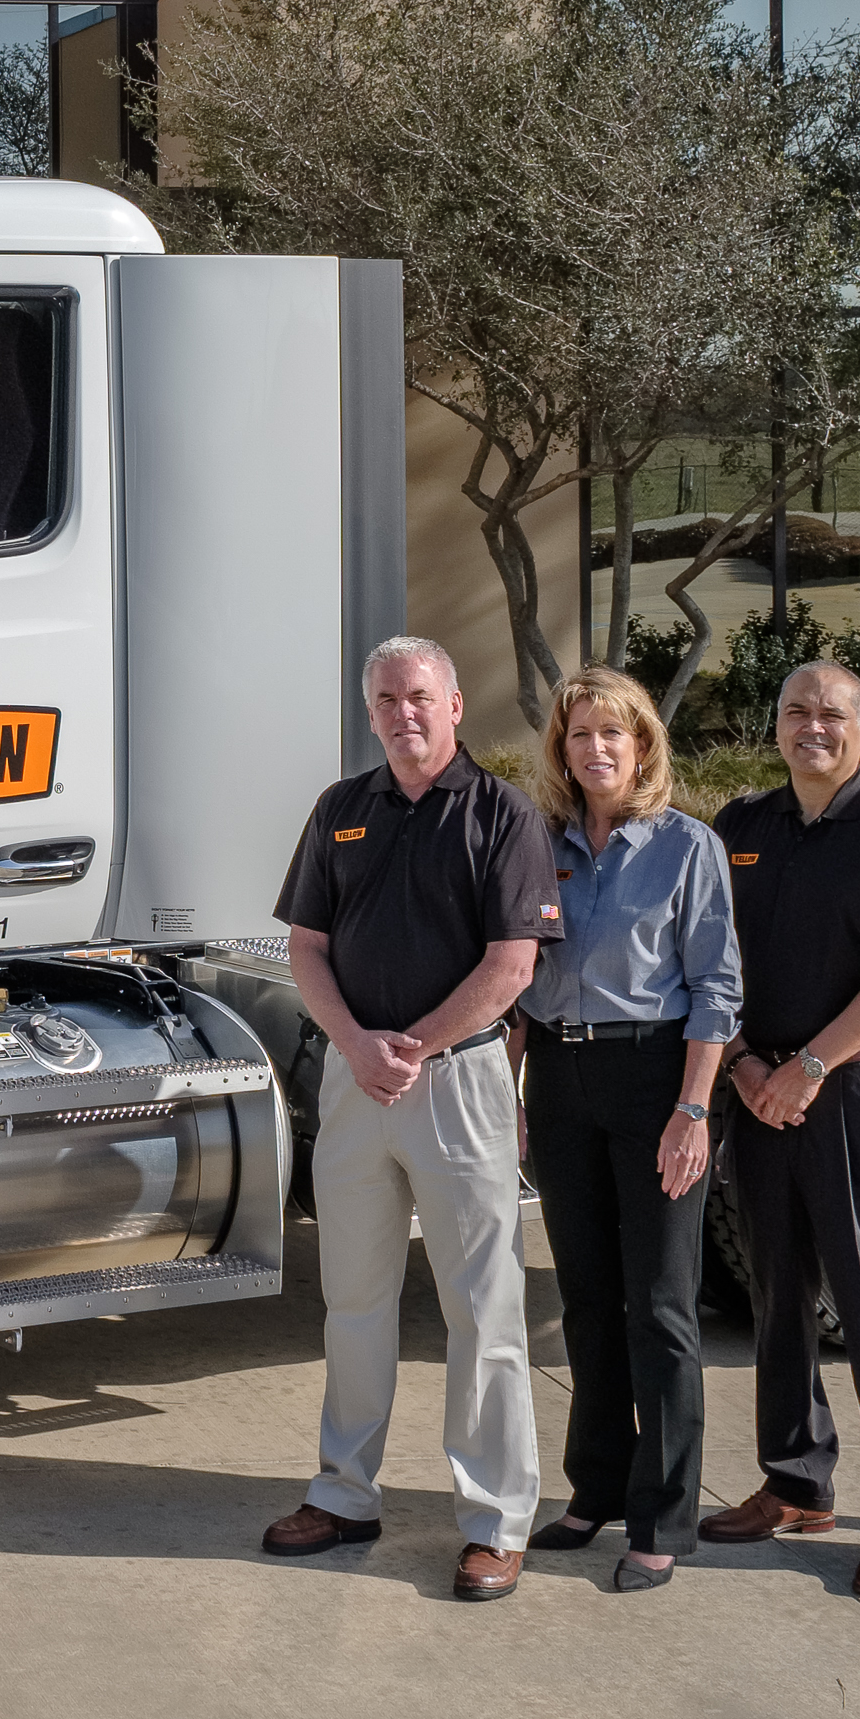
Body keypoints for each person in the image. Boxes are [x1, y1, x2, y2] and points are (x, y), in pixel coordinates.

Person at [260, 637, 563, 1600]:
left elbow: (513, 965)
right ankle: (345, 1493)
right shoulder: (342, 811)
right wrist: (355, 1043)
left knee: (483, 1310)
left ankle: (496, 1519)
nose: (404, 713)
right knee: (353, 1298)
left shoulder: (502, 815)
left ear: (457, 704)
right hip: (356, 1083)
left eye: (420, 696)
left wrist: (415, 1045)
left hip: (459, 1082)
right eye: (386, 699)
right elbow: (307, 946)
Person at [700, 660, 860, 1597]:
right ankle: (796, 1482)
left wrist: (807, 1067)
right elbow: (709, 960)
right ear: (776, 727)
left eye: (832, 714)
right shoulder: (741, 828)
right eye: (796, 712)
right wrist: (746, 1069)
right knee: (777, 1296)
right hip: (759, 1088)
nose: (813, 727)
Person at [513, 667, 738, 1591]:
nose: (596, 750)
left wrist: (693, 1110)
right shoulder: (541, 845)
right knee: (585, 1298)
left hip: (654, 1080)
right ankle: (594, 1488)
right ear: (561, 751)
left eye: (615, 734)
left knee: (660, 1305)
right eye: (579, 736)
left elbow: (717, 989)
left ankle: (663, 1517)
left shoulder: (687, 848)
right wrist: (516, 1097)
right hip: (561, 1079)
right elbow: (519, 978)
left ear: (643, 745)